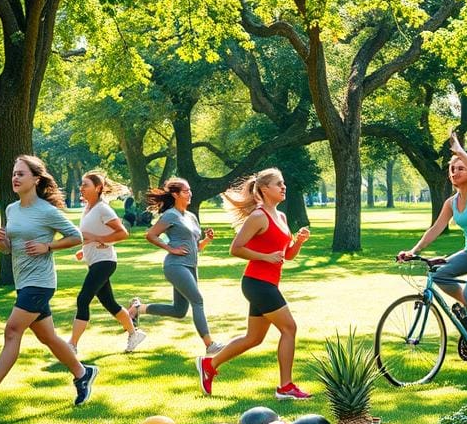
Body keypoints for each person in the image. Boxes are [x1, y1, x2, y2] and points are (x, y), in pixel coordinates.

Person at [0, 156, 98, 410]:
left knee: (12, 330)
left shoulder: (46, 211)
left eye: (21, 174)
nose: (15, 178)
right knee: (49, 337)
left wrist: (48, 246)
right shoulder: (12, 209)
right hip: (23, 281)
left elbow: (76, 236)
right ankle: (82, 373)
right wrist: (3, 245)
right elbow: (13, 250)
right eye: (14, 174)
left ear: (36, 179)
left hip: (40, 282)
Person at [197, 168, 312, 398]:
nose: (283, 187)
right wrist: (264, 257)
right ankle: (285, 386)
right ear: (264, 189)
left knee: (254, 338)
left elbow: (286, 255)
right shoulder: (259, 216)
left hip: (267, 283)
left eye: (283, 183)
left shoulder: (281, 217)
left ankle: (210, 365)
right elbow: (235, 248)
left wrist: (298, 241)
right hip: (257, 283)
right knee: (289, 328)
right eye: (279, 184)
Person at [397, 133, 467, 366]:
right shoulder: (451, 202)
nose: (454, 172)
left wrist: (459, 151)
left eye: (460, 168)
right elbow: (436, 228)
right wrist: (413, 250)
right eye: (452, 169)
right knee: (440, 275)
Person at [126, 178, 222, 357]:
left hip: (191, 266)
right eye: (186, 191)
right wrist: (170, 248)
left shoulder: (191, 216)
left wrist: (206, 240)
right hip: (175, 266)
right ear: (175, 195)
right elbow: (151, 235)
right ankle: (210, 345)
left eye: (189, 190)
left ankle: (137, 309)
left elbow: (195, 247)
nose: (190, 194)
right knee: (198, 300)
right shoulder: (170, 215)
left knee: (179, 311)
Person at [68, 171, 146, 354]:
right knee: (110, 303)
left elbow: (122, 233)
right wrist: (84, 250)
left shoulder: (103, 209)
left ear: (98, 188)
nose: (81, 187)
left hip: (105, 262)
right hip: (96, 261)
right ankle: (134, 334)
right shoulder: (87, 209)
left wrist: (97, 238)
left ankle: (72, 345)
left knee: (83, 298)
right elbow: (92, 236)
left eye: (85, 184)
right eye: (81, 184)